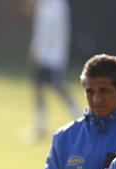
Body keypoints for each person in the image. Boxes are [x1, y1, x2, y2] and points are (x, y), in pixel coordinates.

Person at [27, 0, 79, 140]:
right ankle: (40, 127)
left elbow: (48, 32)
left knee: (59, 87)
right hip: (47, 55)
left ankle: (79, 116)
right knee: (39, 89)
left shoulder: (56, 6)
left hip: (51, 56)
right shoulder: (46, 4)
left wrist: (38, 51)